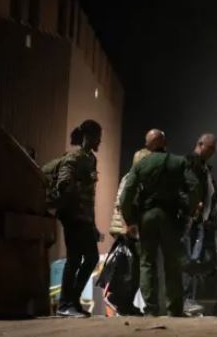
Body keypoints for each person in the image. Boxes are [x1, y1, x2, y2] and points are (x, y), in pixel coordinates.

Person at [119, 137, 198, 317]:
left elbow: (126, 195)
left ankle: (151, 309)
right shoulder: (179, 162)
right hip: (170, 217)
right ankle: (175, 309)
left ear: (148, 144)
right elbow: (194, 187)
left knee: (147, 263)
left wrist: (130, 220)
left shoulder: (141, 164)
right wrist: (189, 212)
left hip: (146, 218)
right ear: (165, 143)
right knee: (172, 263)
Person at [103, 129, 166, 316]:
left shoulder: (130, 177)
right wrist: (129, 226)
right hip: (128, 230)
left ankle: (125, 302)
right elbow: (125, 204)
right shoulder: (134, 178)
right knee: (135, 268)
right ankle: (121, 300)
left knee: (133, 267)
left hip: (125, 229)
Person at [56, 120, 103, 318]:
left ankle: (71, 302)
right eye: (96, 136)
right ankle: (66, 304)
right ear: (87, 136)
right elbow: (63, 183)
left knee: (88, 258)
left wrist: (93, 225)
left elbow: (90, 197)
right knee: (75, 259)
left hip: (84, 219)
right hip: (73, 217)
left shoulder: (91, 158)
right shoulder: (74, 157)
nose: (99, 140)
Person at [182, 133, 217, 315]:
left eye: (214, 149)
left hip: (199, 221)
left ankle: (188, 300)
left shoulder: (203, 167)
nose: (212, 152)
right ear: (200, 144)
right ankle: (185, 300)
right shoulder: (191, 163)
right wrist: (193, 207)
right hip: (191, 220)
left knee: (194, 261)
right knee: (188, 261)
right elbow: (188, 187)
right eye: (210, 148)